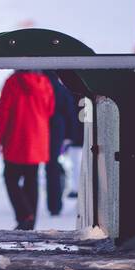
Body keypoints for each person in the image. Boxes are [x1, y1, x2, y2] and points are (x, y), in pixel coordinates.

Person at [0, 69, 54, 230]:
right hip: (38, 138)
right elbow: (50, 109)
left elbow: (3, 112)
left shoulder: (12, 82)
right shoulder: (44, 82)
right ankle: (30, 221)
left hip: (16, 137)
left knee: (10, 178)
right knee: (31, 179)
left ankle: (24, 214)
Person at [44, 72, 80, 216]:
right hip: (57, 129)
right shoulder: (61, 89)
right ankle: (55, 205)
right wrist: (70, 135)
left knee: (31, 169)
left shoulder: (41, 86)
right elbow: (70, 114)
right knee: (52, 166)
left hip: (39, 126)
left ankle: (28, 205)